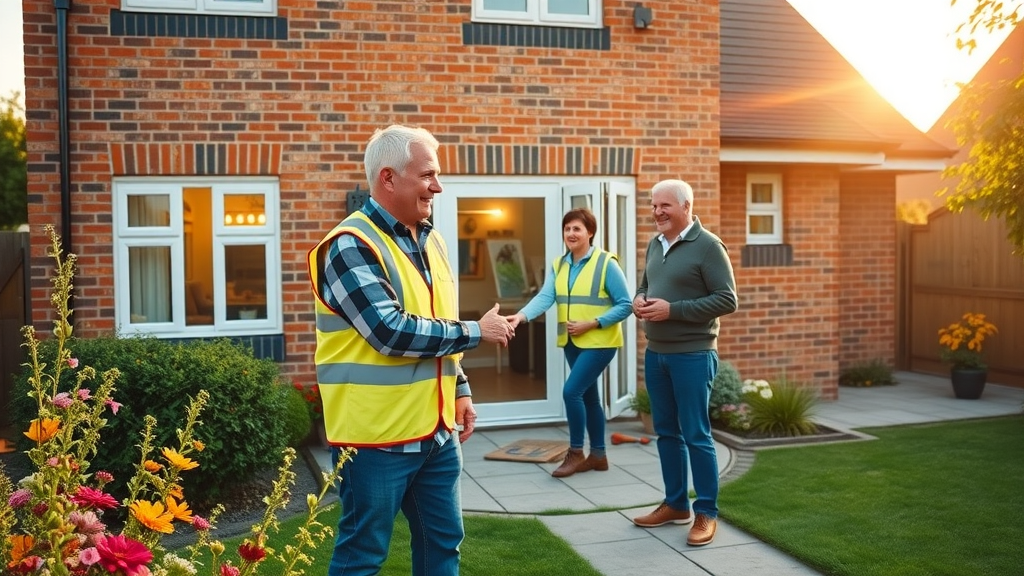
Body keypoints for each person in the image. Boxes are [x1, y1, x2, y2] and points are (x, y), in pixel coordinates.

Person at [307, 125, 515, 576]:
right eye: (428, 175)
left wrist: (460, 387)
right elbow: (390, 331)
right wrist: (477, 332)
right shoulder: (349, 246)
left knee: (443, 547)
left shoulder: (430, 239)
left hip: (436, 434)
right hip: (374, 441)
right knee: (361, 557)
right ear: (388, 178)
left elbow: (436, 316)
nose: (437, 186)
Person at [630, 179, 737, 547]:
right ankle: (676, 504)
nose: (656, 212)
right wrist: (639, 300)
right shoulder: (655, 244)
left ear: (686, 206)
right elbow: (646, 284)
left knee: (696, 434)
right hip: (656, 353)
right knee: (667, 433)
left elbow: (727, 299)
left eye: (664, 206)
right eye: (653, 205)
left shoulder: (709, 247)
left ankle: (706, 511)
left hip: (693, 354)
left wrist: (672, 310)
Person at [505, 207, 632, 478]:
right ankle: (598, 455)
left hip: (600, 341)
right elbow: (545, 297)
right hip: (572, 342)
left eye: (577, 228)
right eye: (567, 229)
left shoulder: (605, 263)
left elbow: (626, 304)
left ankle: (576, 453)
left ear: (590, 232)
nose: (571, 233)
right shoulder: (560, 265)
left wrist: (593, 322)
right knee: (589, 397)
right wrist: (521, 316)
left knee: (571, 392)